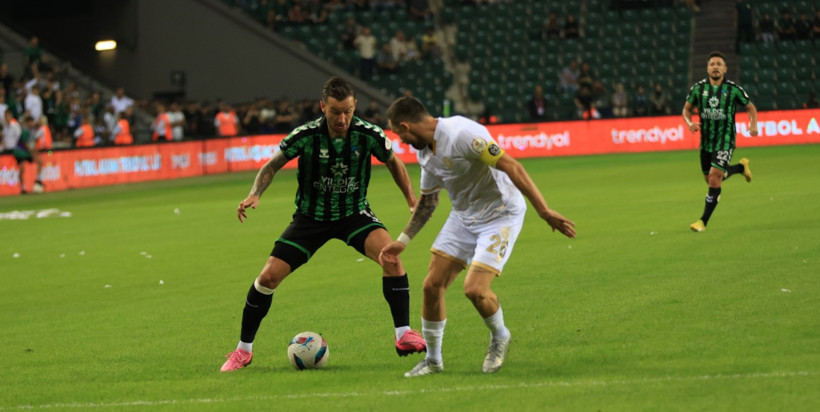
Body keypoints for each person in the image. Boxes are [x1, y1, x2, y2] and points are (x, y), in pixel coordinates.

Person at [221, 77, 426, 372]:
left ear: (354, 107)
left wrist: (410, 198)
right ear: (323, 107)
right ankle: (243, 351)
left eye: (348, 111)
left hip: (353, 213)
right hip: (310, 219)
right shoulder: (306, 136)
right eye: (335, 112)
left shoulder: (368, 134)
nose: (342, 119)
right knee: (266, 279)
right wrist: (255, 193)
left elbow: (393, 161)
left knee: (390, 256)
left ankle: (403, 334)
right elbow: (272, 165)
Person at [381, 96, 576, 377]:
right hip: (463, 217)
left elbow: (512, 166)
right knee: (431, 286)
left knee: (475, 290)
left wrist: (543, 211)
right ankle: (434, 361)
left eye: (400, 135)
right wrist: (402, 241)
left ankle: (500, 337)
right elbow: (428, 203)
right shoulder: (425, 154)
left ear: (405, 125)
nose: (402, 141)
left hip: (500, 215)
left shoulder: (462, 134)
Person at [682, 51, 758, 232]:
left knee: (715, 179)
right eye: (712, 64)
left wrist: (753, 123)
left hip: (725, 139)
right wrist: (689, 122)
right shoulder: (698, 89)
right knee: (711, 179)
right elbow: (686, 110)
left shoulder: (733, 90)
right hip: (706, 141)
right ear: (707, 68)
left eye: (719, 64)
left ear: (725, 68)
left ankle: (702, 221)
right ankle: (740, 167)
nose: (715, 67)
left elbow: (750, 106)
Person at [11, 114, 45, 194]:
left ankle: (38, 180)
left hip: (27, 152)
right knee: (22, 169)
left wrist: (35, 151)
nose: (32, 124)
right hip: (21, 152)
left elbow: (33, 143)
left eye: (32, 122)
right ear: (27, 123)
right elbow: (26, 144)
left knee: (40, 161)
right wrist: (32, 153)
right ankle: (23, 188)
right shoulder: (25, 131)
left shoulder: (32, 131)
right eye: (30, 122)